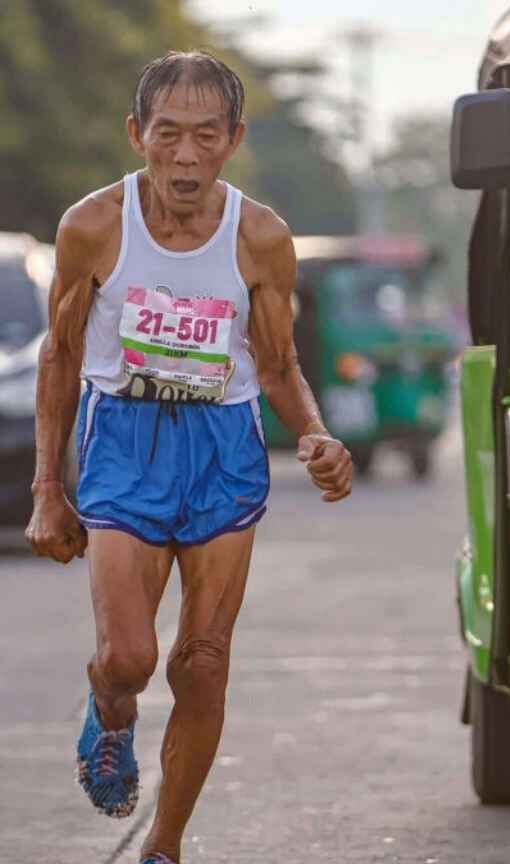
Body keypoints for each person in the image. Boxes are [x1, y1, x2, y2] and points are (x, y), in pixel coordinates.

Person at [24, 51, 353, 864]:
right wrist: (46, 488)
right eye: (167, 133)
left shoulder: (262, 236)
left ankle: (162, 848)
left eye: (206, 135)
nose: (185, 155)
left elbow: (278, 365)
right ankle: (110, 708)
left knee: (203, 664)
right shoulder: (93, 226)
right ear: (137, 134)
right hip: (123, 442)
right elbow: (60, 357)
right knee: (130, 657)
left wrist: (314, 434)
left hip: (223, 445)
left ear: (233, 139)